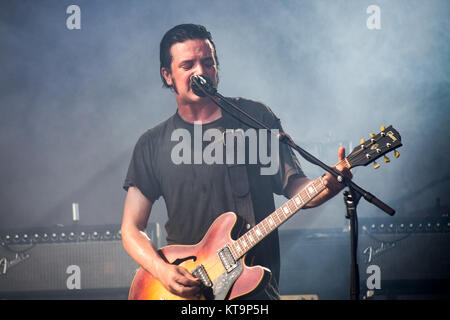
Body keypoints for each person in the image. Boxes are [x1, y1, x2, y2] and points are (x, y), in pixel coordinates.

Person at [121, 23, 352, 300]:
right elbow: (131, 229)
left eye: (208, 62)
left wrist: (328, 186)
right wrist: (162, 270)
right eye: (188, 65)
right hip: (188, 291)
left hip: (255, 289)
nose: (200, 72)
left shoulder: (255, 118)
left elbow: (298, 188)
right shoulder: (153, 143)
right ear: (167, 75)